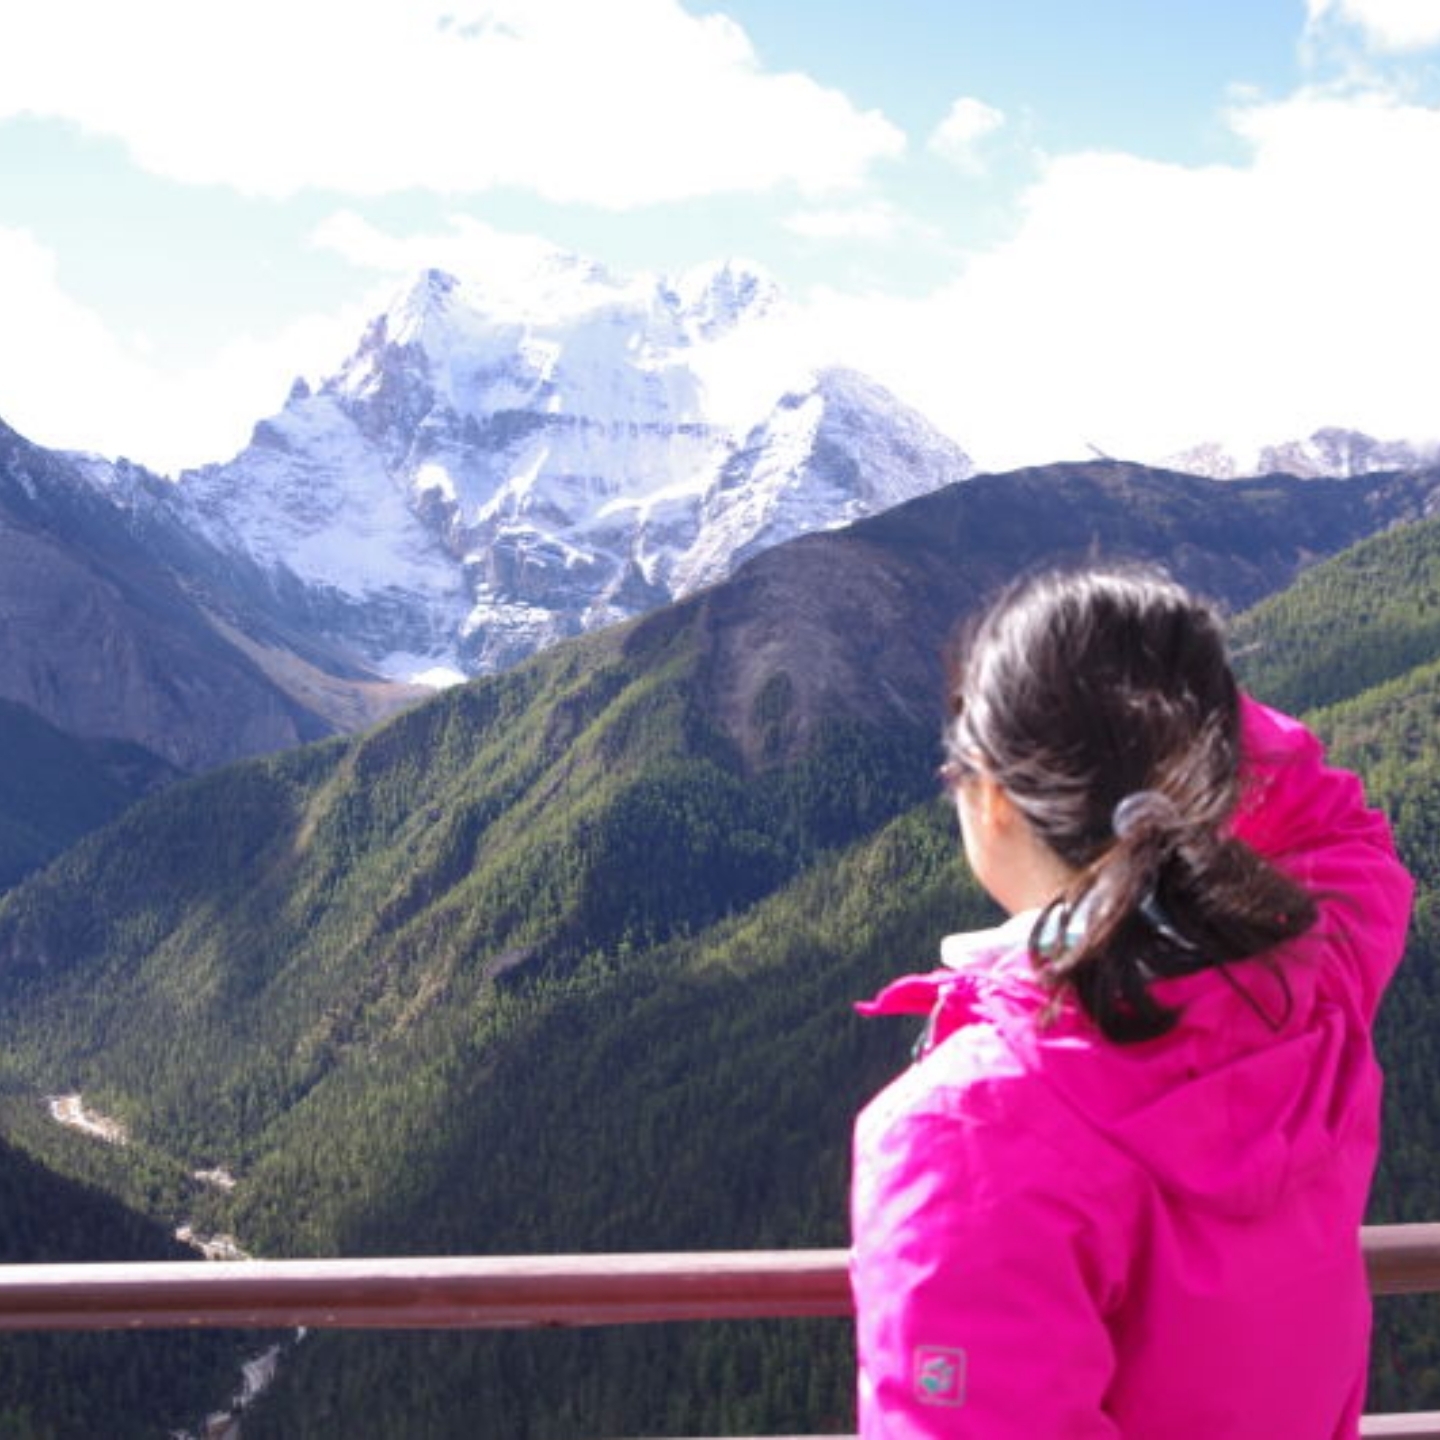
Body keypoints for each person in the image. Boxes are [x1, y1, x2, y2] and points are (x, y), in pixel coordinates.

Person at [849, 563, 1414, 1437]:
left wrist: (1156, 709)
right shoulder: (1308, 999)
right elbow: (1337, 832)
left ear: (993, 799)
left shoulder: (961, 1130)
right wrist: (1186, 711)